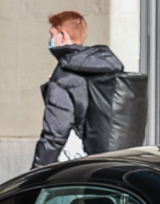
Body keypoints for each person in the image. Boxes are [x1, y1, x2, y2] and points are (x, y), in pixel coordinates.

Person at [34, 9, 130, 168]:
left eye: (52, 35)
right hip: (106, 157)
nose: (51, 40)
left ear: (63, 35)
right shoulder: (103, 68)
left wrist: (35, 173)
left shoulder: (64, 75)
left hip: (73, 161)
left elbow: (55, 134)